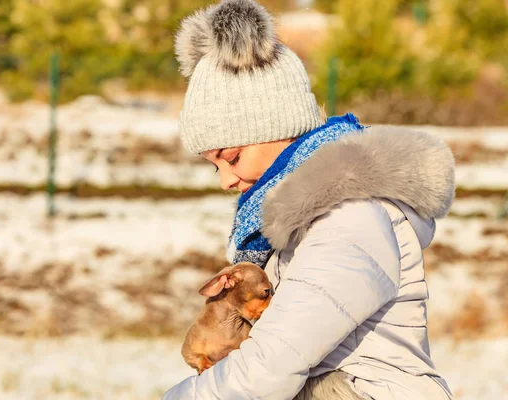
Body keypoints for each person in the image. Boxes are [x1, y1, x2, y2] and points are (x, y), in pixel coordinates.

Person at [163, 0, 455, 399]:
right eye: (215, 167)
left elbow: (270, 367)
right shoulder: (298, 226)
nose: (226, 180)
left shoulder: (349, 217)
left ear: (277, 126)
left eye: (231, 158)